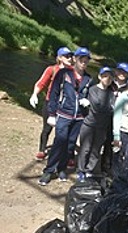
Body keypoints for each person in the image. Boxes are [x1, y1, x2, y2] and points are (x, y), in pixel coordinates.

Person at [38, 47, 92, 186]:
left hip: (79, 117)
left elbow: (90, 95)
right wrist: (51, 113)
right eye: (81, 59)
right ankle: (49, 171)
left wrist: (87, 102)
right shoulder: (63, 73)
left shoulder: (89, 78)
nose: (83, 62)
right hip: (64, 114)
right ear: (75, 59)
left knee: (70, 144)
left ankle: (61, 168)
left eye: (86, 60)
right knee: (59, 141)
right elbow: (54, 93)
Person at [29, 46, 73, 160]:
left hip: (66, 105)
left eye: (70, 56)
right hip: (51, 103)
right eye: (66, 56)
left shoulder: (74, 71)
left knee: (66, 130)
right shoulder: (52, 69)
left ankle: (67, 154)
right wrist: (34, 94)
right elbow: (41, 83)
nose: (69, 58)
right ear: (59, 58)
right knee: (47, 128)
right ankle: (42, 150)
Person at [76, 67, 115, 182]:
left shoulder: (111, 93)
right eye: (105, 76)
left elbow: (111, 109)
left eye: (110, 77)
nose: (107, 79)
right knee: (85, 149)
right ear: (99, 77)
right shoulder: (93, 89)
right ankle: (81, 171)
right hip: (89, 124)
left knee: (96, 150)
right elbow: (99, 106)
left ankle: (90, 170)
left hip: (102, 126)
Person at [101, 62, 128, 175]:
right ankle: (99, 163)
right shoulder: (110, 83)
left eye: (125, 72)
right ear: (116, 71)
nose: (122, 74)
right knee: (101, 140)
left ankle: (108, 166)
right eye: (120, 71)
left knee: (113, 142)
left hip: (119, 119)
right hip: (105, 116)